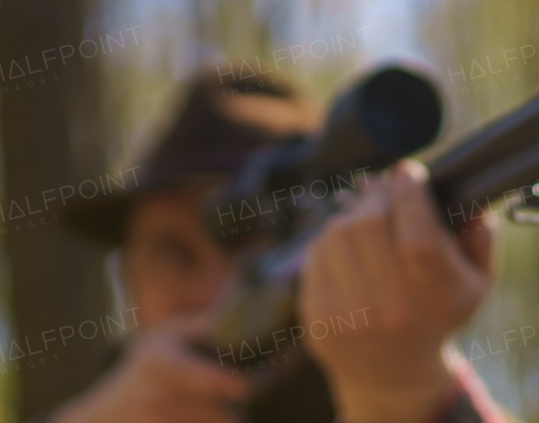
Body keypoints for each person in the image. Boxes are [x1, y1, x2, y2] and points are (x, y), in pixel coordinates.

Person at [51, 70, 513, 423]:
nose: (215, 290)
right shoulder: (109, 405)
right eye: (173, 254)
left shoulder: (392, 377)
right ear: (129, 275)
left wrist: (406, 397)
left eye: (252, 244)